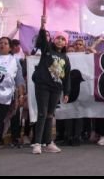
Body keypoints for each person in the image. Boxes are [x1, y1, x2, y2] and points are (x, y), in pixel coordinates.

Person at [31, 16, 71, 155]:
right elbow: (42, 40)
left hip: (56, 89)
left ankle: (48, 143)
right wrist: (42, 26)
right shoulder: (47, 49)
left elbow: (67, 76)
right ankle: (37, 143)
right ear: (54, 39)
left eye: (63, 39)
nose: (60, 40)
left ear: (66, 43)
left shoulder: (66, 58)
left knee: (50, 114)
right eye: (58, 38)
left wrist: (66, 92)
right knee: (42, 113)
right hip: (43, 86)